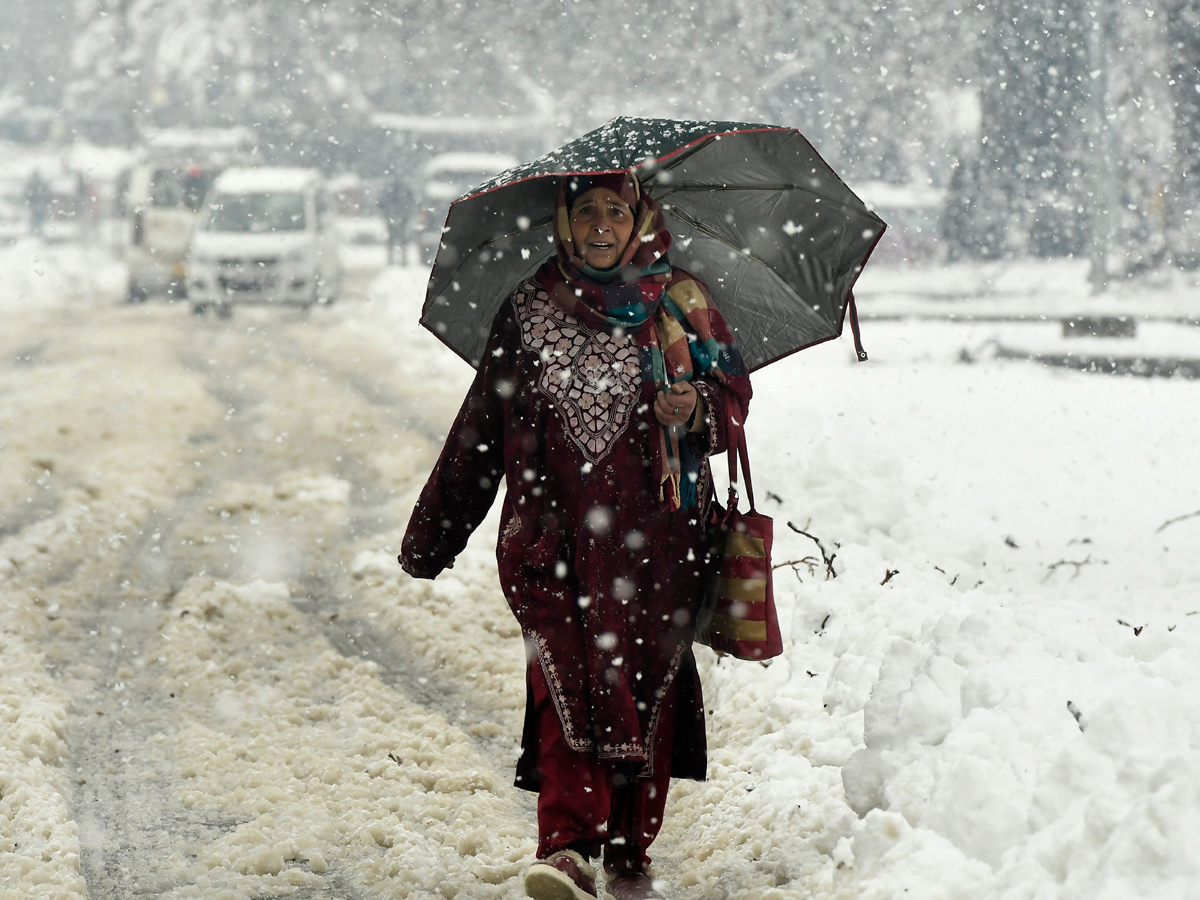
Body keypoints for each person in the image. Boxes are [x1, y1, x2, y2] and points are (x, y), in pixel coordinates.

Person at [399, 171, 751, 900]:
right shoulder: (528, 308)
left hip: (661, 542)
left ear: (639, 220)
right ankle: (565, 846)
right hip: (551, 541)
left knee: (644, 686)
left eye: (615, 212)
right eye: (585, 211)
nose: (599, 226)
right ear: (562, 222)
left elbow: (734, 399)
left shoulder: (683, 304)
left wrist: (696, 408)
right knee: (565, 687)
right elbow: (481, 429)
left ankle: (627, 844)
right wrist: (434, 535)